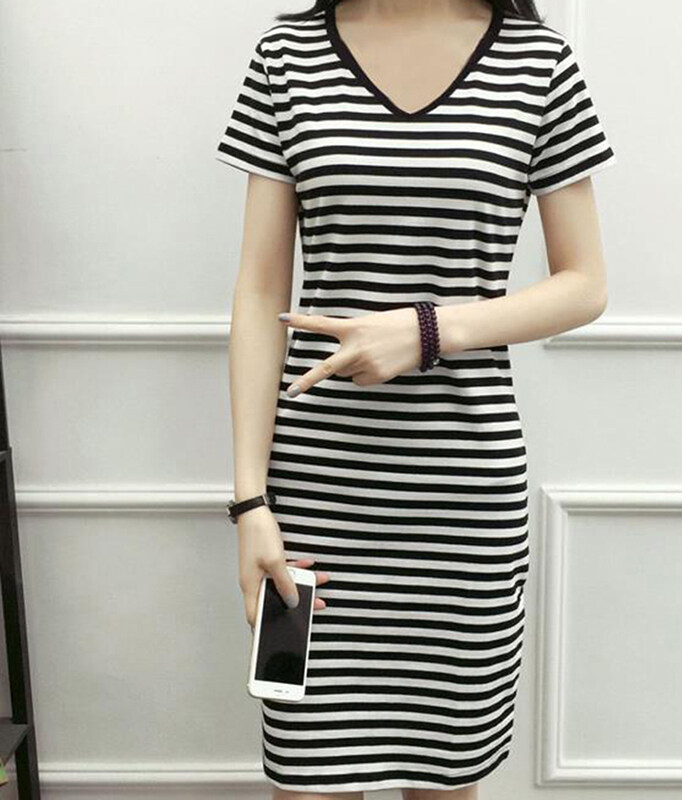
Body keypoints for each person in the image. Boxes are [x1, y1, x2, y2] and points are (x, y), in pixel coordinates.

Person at [215, 0, 617, 796]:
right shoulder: (287, 56)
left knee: (445, 776)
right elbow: (259, 293)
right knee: (305, 771)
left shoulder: (538, 62)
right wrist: (249, 501)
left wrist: (429, 330)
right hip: (314, 502)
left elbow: (586, 284)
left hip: (463, 512)